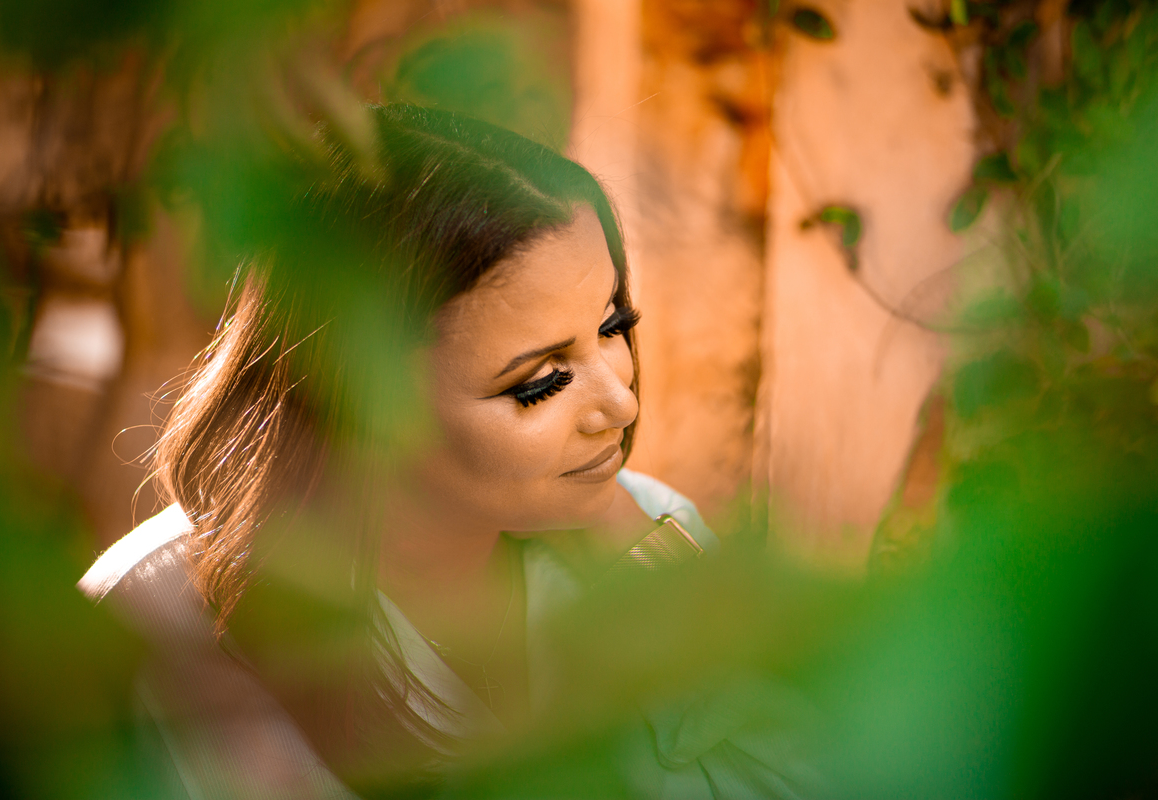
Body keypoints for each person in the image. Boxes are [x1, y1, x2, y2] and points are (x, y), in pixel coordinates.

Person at [78, 105, 812, 799]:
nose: (621, 403)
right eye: (540, 381)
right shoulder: (158, 635)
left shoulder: (652, 533)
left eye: (613, 326)